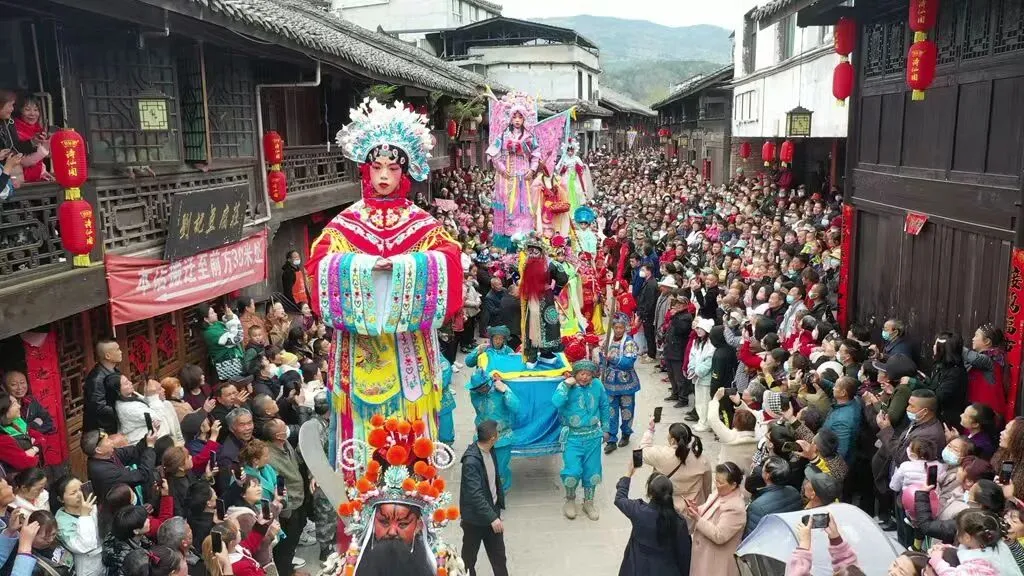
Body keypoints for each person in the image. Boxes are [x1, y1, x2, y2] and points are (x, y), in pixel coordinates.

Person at [306, 99, 463, 450]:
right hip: (358, 343)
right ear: (365, 169)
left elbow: (450, 259)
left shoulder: (422, 223)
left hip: (409, 345)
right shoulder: (346, 223)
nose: (383, 176)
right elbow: (319, 263)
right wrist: (361, 268)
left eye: (392, 169)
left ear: (404, 173)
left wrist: (407, 267)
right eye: (376, 167)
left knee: (410, 429)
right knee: (360, 438)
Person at [553, 360, 610, 521]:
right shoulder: (566, 386)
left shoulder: (598, 385)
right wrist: (566, 384)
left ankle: (588, 502)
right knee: (572, 471)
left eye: (588, 374)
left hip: (593, 436)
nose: (584, 377)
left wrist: (606, 429)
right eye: (581, 374)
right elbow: (555, 402)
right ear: (575, 374)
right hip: (572, 437)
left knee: (592, 471)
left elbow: (605, 406)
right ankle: (570, 501)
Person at [614, 465, 691, 576]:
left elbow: (620, 498)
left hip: (636, 567)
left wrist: (628, 474)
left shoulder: (638, 511)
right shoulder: (678, 521)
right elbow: (684, 555)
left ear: (650, 493)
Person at [459, 420, 509, 576]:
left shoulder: (490, 450)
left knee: (499, 558)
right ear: (493, 438)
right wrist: (492, 518)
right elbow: (474, 494)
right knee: (468, 560)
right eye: (498, 433)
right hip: (474, 520)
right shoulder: (471, 462)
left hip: (492, 513)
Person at [683, 462, 746, 576]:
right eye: (716, 480)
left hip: (715, 563)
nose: (717, 485)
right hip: (705, 555)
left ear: (733, 484)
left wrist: (697, 519)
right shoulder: (720, 493)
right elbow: (707, 512)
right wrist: (695, 509)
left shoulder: (736, 508)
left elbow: (720, 535)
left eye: (721, 483)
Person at [263, 419, 307, 576]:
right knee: (285, 545)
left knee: (294, 538)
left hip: (299, 499)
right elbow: (276, 483)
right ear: (278, 436)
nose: (288, 429)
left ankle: (288, 568)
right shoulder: (268, 457)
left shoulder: (286, 444)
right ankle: (285, 571)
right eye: (284, 428)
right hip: (287, 507)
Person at [638, 419, 710, 513]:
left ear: (672, 440)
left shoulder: (662, 455)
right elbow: (707, 487)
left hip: (666, 507)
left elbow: (642, 450)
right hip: (692, 509)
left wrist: (650, 431)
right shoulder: (702, 460)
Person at [466, 371, 520, 493]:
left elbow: (516, 407)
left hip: (502, 437)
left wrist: (505, 391)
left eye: (483, 387)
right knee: (483, 468)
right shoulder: (474, 394)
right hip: (482, 437)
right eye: (476, 388)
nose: (480, 390)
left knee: (500, 470)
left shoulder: (501, 390)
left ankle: (501, 493)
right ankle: (488, 492)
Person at [601, 313, 641, 452]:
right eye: (616, 327)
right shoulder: (608, 340)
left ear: (625, 328)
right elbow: (602, 357)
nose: (618, 330)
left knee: (627, 410)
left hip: (626, 383)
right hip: (610, 383)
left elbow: (628, 362)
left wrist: (611, 359)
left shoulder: (630, 343)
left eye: (621, 327)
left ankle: (626, 433)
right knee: (610, 411)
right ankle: (611, 438)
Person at [82, 429, 156, 504]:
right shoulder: (103, 471)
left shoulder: (107, 454)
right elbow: (142, 475)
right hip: (119, 511)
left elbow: (135, 452)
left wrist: (148, 437)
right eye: (107, 441)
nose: (111, 441)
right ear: (99, 450)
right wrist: (150, 447)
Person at [54, 476, 102, 576]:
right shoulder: (61, 523)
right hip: (88, 567)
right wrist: (84, 516)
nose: (79, 495)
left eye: (80, 489)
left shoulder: (90, 504)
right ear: (61, 499)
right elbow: (84, 546)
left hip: (104, 560)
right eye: (73, 493)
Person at [744, 456, 803, 537]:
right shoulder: (794, 491)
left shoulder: (757, 506)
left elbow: (750, 537)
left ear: (767, 475)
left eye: (763, 466)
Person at [707, 389, 758, 473]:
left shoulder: (729, 437)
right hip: (749, 477)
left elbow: (712, 419)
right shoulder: (759, 436)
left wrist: (715, 399)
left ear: (735, 423)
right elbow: (757, 416)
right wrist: (739, 403)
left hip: (728, 475)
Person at [927, 332, 968, 427]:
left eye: (935, 345)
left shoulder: (956, 372)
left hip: (946, 421)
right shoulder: (939, 366)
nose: (933, 347)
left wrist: (917, 384)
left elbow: (939, 396)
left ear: (943, 349)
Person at [0, 393, 49, 472]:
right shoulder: (2, 439)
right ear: (4, 410)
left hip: (35, 472)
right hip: (21, 480)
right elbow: (26, 463)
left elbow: (41, 438)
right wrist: (36, 448)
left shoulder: (17, 422)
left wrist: (31, 450)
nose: (19, 406)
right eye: (14, 404)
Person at [197, 304, 245, 382]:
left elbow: (229, 327)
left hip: (235, 359)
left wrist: (229, 317)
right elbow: (237, 338)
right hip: (228, 363)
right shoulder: (210, 333)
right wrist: (231, 319)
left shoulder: (217, 324)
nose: (215, 313)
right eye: (212, 313)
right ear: (206, 319)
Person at [84, 339, 123, 433]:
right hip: (103, 428)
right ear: (107, 356)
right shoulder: (96, 379)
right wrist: (121, 409)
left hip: (115, 422)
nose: (121, 352)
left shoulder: (115, 370)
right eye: (117, 349)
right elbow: (99, 407)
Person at [115, 376, 168, 444]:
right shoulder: (129, 408)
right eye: (126, 383)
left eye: (128, 381)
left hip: (151, 439)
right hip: (142, 443)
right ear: (117, 390)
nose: (131, 383)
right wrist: (152, 397)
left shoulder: (129, 398)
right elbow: (158, 417)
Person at [663, 296, 694, 407]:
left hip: (678, 351)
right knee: (671, 374)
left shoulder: (686, 317)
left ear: (685, 305)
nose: (677, 305)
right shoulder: (676, 316)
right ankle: (675, 393)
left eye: (680, 304)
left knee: (680, 377)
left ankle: (683, 398)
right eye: (676, 303)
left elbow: (681, 330)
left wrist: (674, 316)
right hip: (670, 349)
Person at [687, 318, 716, 431]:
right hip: (697, 378)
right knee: (698, 401)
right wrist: (692, 369)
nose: (698, 330)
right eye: (697, 328)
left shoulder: (711, 344)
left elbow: (709, 362)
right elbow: (692, 356)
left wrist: (698, 372)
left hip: (705, 378)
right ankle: (701, 420)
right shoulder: (697, 342)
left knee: (705, 402)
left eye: (701, 328)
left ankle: (706, 423)